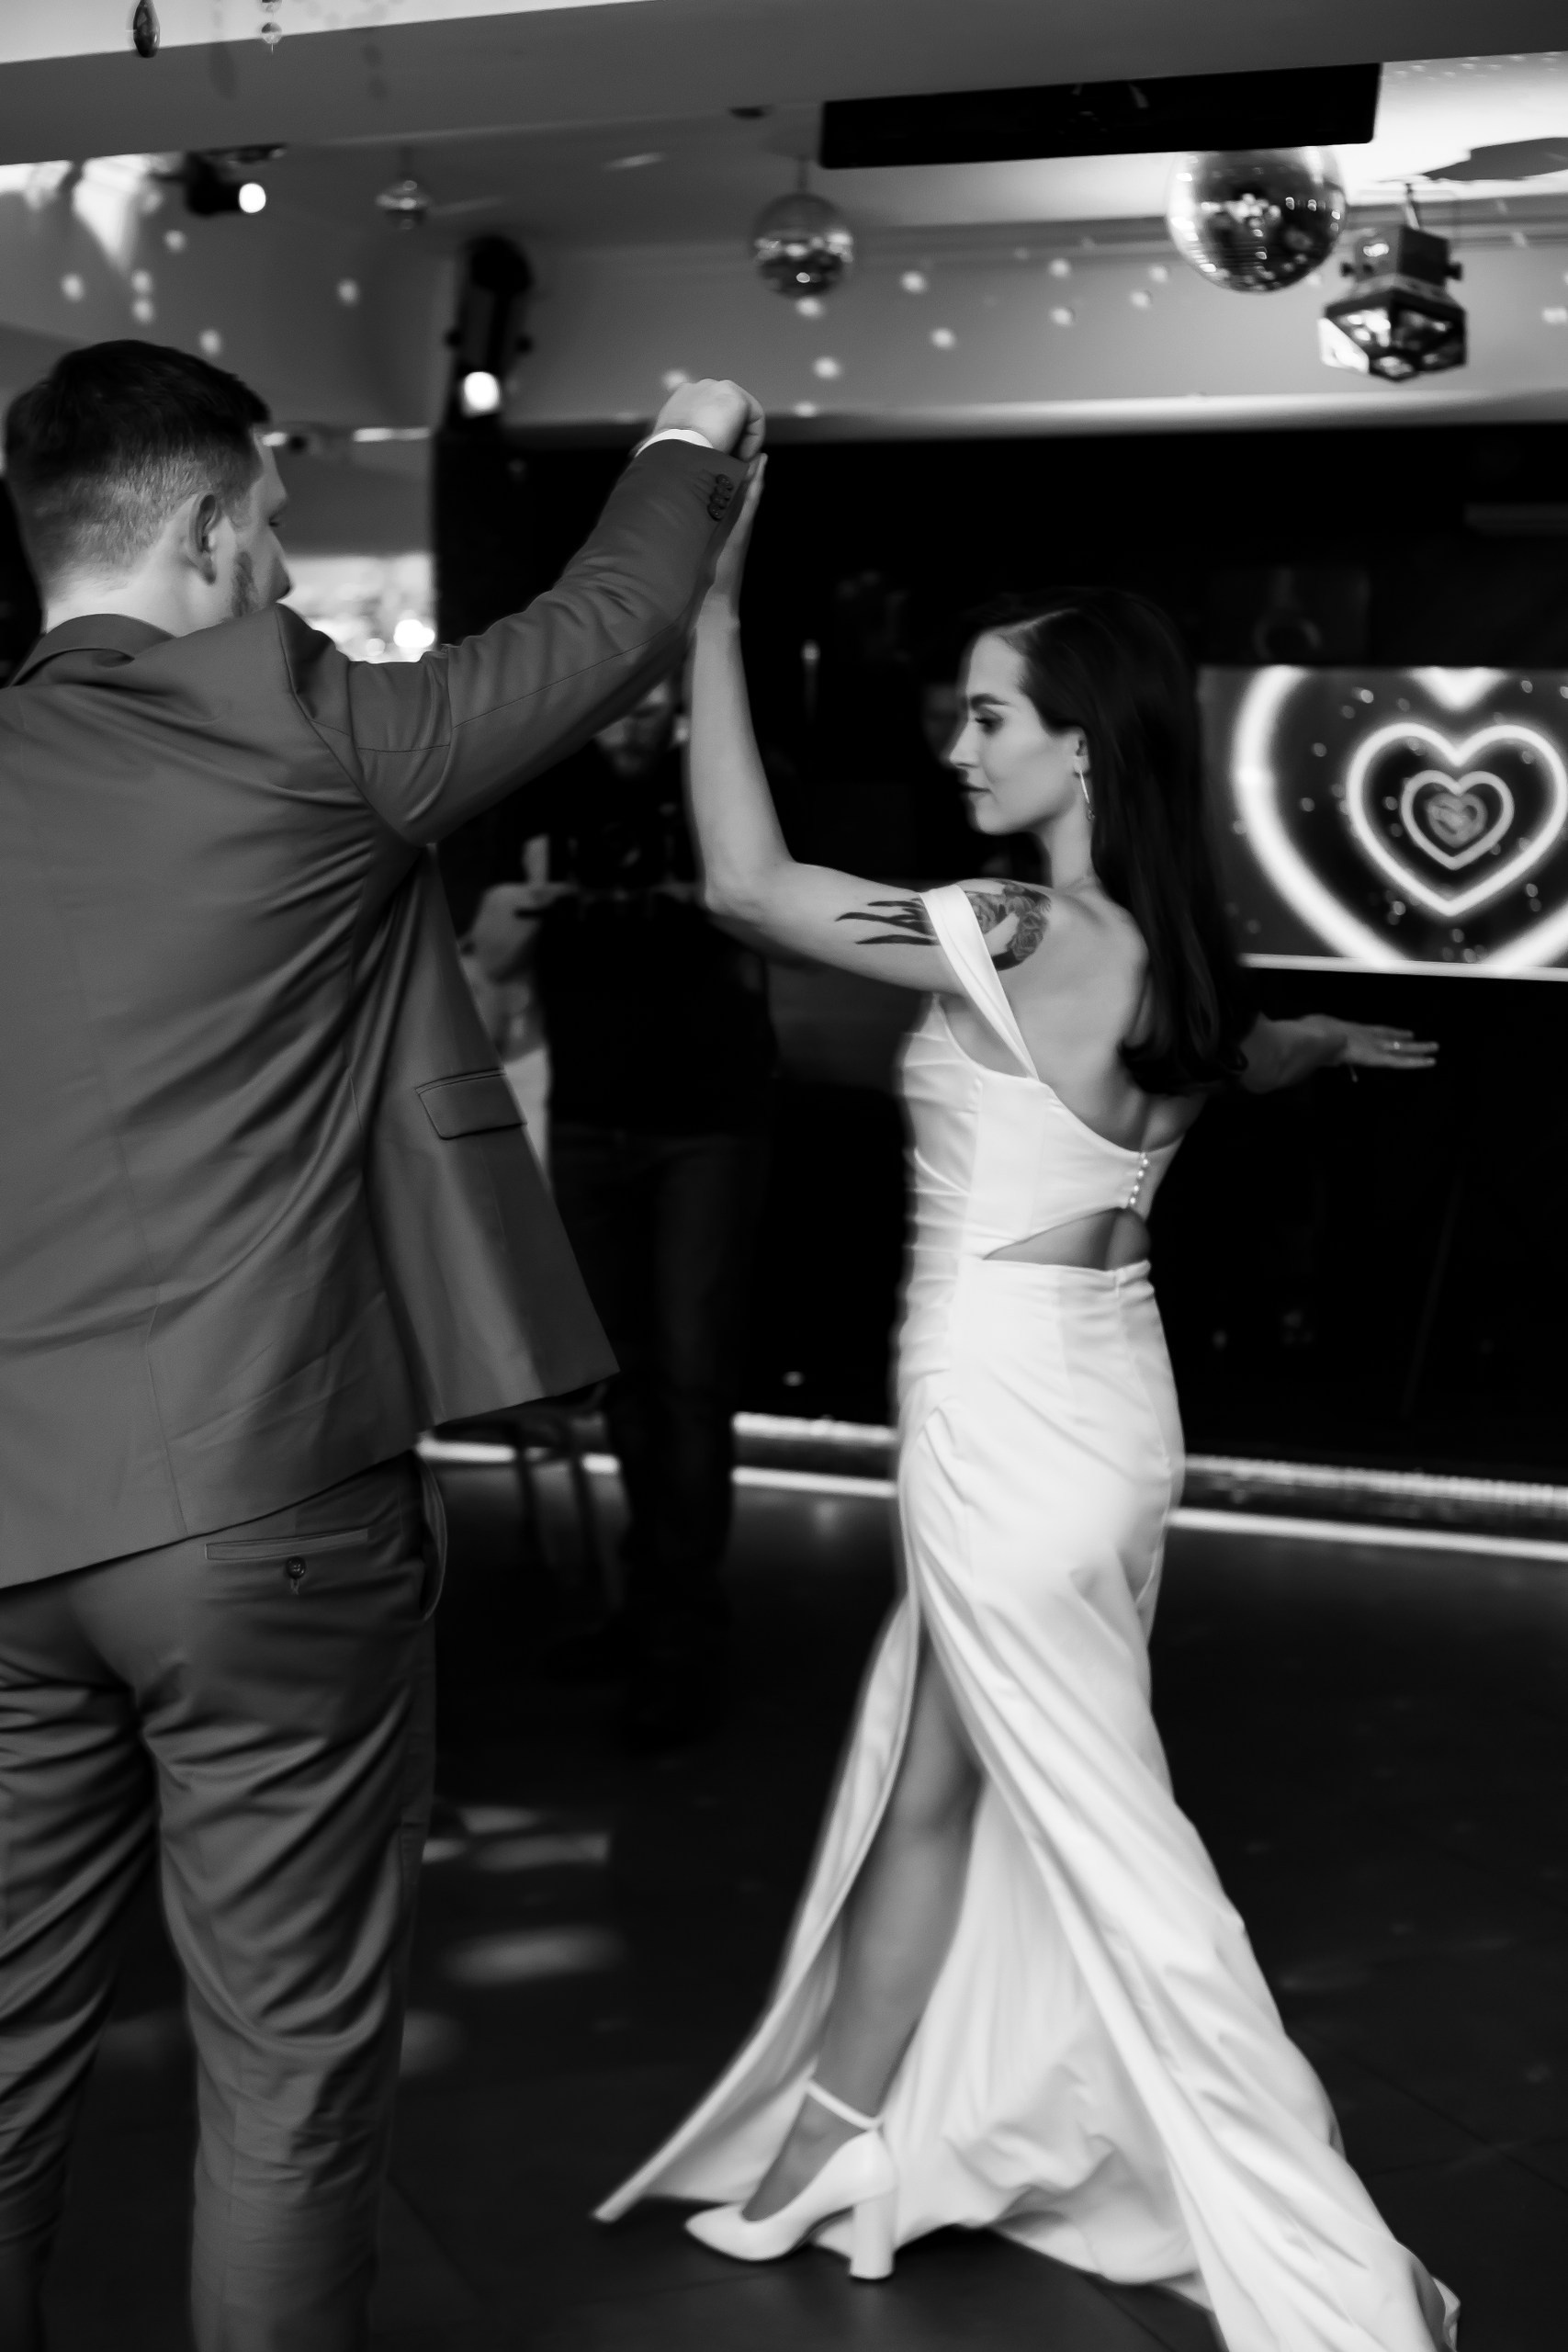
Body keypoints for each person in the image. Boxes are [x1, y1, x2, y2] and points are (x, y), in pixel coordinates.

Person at [599, 466, 1458, 2352]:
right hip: (1105, 1414)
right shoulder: (1171, 943)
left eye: (989, 715)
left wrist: (713, 613)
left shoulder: (1020, 926)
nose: (958, 741)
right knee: (936, 1785)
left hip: (1005, 1423)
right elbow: (1246, 1052)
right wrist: (1319, 1043)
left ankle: (1330, 2272)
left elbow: (744, 888)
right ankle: (824, 2145)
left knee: (1123, 1860)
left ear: (1081, 747)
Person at [0, 339, 760, 2352]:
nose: (276, 566)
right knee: (284, 2078)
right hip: (264, 1502)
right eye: (265, 525)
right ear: (204, 530)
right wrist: (688, 440)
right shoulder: (291, 720)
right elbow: (599, 629)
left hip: (7, 1529)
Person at [462, 672, 776, 1748]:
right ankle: (652, 1614)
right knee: (629, 1384)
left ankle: (681, 1644)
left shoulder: (718, 786)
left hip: (710, 1120)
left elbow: (782, 927)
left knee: (691, 1384)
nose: (639, 719)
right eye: (623, 703)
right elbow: (492, 959)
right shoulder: (541, 793)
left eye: (657, 702)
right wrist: (520, 913)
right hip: (593, 1116)